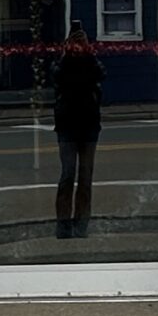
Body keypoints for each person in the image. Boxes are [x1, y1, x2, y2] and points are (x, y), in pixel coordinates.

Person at [52, 23, 105, 239]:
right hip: (67, 124)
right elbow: (57, 77)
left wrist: (87, 50)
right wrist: (67, 53)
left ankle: (81, 222)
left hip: (89, 124)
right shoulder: (63, 63)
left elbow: (100, 74)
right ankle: (63, 223)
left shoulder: (90, 62)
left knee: (85, 176)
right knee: (68, 174)